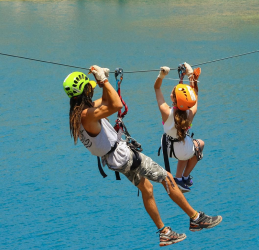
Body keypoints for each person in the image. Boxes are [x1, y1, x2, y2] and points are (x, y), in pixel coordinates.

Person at [62, 65, 222, 247]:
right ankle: (196, 218)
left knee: (147, 189)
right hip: (125, 156)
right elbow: (116, 105)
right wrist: (105, 81)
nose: (92, 89)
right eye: (89, 87)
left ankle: (165, 233)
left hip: (115, 161)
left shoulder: (78, 113)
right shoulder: (87, 115)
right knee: (167, 178)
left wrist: (102, 82)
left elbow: (106, 99)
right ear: (84, 90)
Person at [154, 62, 204, 192]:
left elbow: (157, 89)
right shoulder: (189, 114)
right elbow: (195, 97)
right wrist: (190, 75)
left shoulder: (166, 112)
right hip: (185, 150)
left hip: (170, 150)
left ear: (173, 98)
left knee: (184, 147)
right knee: (200, 144)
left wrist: (161, 76)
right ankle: (183, 177)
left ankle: (180, 178)